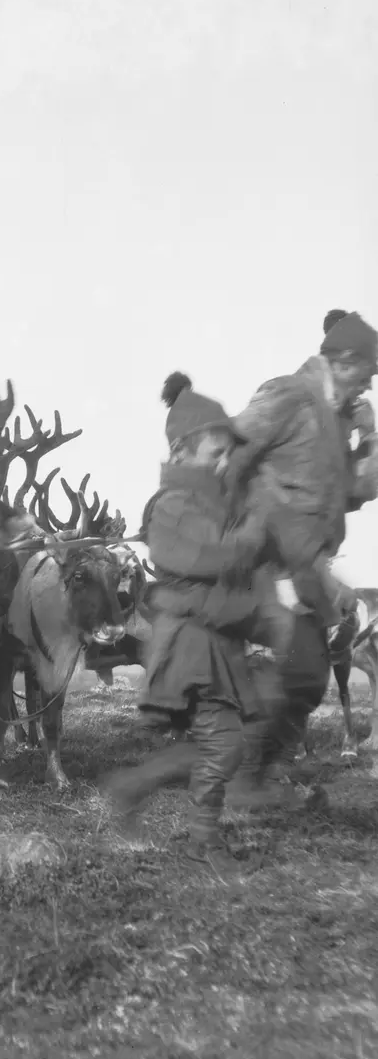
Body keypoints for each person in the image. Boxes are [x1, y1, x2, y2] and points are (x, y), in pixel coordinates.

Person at [104, 372, 270, 877]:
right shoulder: (171, 505)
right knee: (225, 742)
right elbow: (205, 559)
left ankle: (133, 790)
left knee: (220, 740)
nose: (223, 464)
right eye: (213, 453)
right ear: (180, 452)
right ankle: (203, 841)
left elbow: (233, 581)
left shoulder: (214, 506)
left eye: (226, 455)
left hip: (213, 643)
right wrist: (249, 544)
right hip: (192, 647)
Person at [224, 309, 378, 809]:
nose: (370, 386)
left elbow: (353, 492)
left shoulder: (335, 421)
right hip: (264, 559)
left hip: (305, 568)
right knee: (296, 668)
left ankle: (261, 775)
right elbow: (229, 454)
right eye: (369, 374)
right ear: (347, 362)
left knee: (309, 675)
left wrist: (370, 441)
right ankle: (246, 778)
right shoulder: (289, 395)